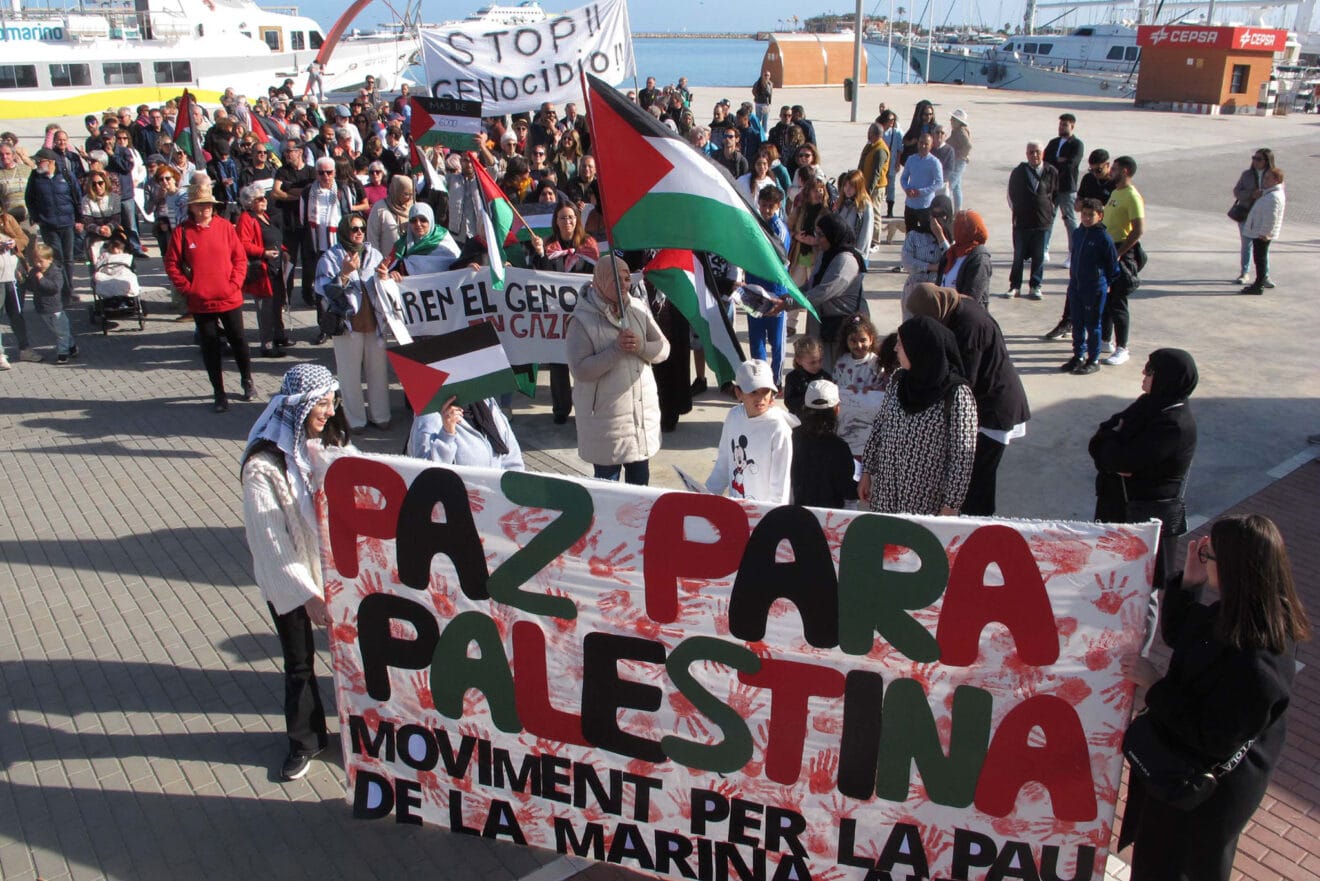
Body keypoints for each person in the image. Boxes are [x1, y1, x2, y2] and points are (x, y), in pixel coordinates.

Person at [1118, 514, 1309, 881]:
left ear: (1237, 568)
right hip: (1186, 776)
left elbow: (1216, 738)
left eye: (1211, 555)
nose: (1204, 558)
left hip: (1205, 794)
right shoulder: (1245, 612)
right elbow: (1184, 636)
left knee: (1178, 867)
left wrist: (1155, 687)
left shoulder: (1260, 658)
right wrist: (1191, 581)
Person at [241, 363, 349, 781]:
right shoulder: (262, 468)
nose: (329, 410)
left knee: (350, 658)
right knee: (299, 661)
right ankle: (305, 740)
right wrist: (307, 595)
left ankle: (360, 736)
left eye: (331, 401)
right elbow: (270, 543)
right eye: (321, 403)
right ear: (299, 407)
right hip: (292, 580)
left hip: (335, 575)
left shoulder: (329, 442)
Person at [906, 283, 1029, 517]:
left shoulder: (969, 326)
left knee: (978, 480)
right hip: (983, 404)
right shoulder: (955, 305)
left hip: (993, 410)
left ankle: (978, 529)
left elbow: (964, 380)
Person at [1089, 348, 1198, 591]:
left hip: (1143, 519)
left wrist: (1112, 443)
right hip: (1118, 510)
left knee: (1139, 590)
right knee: (1109, 581)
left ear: (1167, 378)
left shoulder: (1174, 425)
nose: (1143, 373)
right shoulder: (1149, 404)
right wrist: (1111, 442)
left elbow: (1121, 461)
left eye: (1150, 370)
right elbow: (1102, 436)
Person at [859, 316, 976, 516]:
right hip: (887, 496)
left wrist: (950, 507)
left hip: (925, 504)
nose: (895, 348)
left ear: (920, 349)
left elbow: (962, 458)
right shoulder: (898, 380)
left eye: (901, 344)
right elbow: (880, 426)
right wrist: (867, 471)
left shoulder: (956, 394)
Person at [567, 256, 669, 484]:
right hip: (606, 425)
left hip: (641, 420)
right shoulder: (581, 320)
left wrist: (641, 347)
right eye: (616, 279)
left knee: (640, 494)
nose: (624, 285)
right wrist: (615, 350)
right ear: (600, 281)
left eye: (626, 278)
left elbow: (664, 349)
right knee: (608, 494)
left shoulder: (638, 308)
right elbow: (580, 370)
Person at [164, 179, 253, 412]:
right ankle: (219, 392)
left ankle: (247, 379)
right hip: (201, 301)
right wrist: (188, 289)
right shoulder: (182, 232)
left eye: (208, 204)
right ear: (191, 207)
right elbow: (172, 265)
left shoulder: (224, 227)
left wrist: (234, 284)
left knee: (239, 340)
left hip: (229, 296)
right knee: (210, 347)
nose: (205, 208)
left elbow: (240, 259)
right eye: (200, 204)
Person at [316, 214, 391, 431]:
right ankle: (355, 419)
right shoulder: (330, 257)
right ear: (343, 232)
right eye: (354, 229)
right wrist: (344, 275)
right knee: (349, 375)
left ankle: (380, 415)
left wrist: (386, 277)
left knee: (378, 372)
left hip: (375, 322)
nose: (359, 232)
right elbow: (324, 291)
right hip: (348, 324)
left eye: (362, 228)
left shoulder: (373, 253)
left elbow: (383, 286)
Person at [529, 201, 599, 423]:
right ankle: (561, 409)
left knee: (584, 363)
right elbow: (541, 278)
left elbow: (594, 276)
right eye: (562, 218)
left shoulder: (588, 245)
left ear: (577, 220)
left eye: (571, 217)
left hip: (582, 315)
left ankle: (587, 408)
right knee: (558, 364)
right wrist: (540, 253)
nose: (567, 222)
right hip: (557, 317)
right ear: (555, 222)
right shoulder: (549, 246)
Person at [706, 359, 794, 504]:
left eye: (765, 391)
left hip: (764, 514)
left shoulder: (778, 428)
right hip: (737, 506)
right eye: (753, 392)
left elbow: (781, 485)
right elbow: (724, 461)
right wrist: (708, 493)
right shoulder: (733, 416)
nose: (760, 398)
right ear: (738, 392)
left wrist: (773, 518)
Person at [1061, 198, 1119, 375]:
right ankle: (1078, 356)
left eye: (1090, 215)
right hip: (1076, 286)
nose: (1086, 218)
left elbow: (1113, 266)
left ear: (1100, 216)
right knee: (1077, 323)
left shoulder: (1103, 238)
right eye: (1084, 214)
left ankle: (1093, 359)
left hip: (1094, 288)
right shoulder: (1078, 233)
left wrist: (1105, 284)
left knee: (1092, 325)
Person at [803, 212, 867, 365]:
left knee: (839, 374)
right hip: (823, 324)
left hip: (842, 328)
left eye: (821, 235)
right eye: (816, 234)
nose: (817, 239)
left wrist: (789, 303)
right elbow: (812, 284)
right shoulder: (826, 254)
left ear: (833, 234)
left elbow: (823, 292)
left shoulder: (846, 260)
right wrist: (787, 293)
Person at [1101, 156, 1145, 366]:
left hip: (1120, 252)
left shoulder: (1132, 196)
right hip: (1108, 249)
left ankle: (1122, 347)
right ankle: (1104, 339)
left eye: (1116, 168)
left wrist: (1119, 252)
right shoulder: (1116, 192)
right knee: (1107, 300)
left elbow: (1138, 230)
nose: (1111, 171)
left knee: (1118, 301)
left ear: (1125, 171)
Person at [25, 148, 83, 307]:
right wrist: (37, 217)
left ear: (50, 162)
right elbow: (29, 199)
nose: (37, 163)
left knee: (69, 259)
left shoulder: (65, 175)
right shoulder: (35, 177)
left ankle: (69, 291)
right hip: (48, 225)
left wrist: (79, 219)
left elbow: (77, 197)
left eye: (40, 161)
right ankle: (61, 292)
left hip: (67, 223)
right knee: (57, 259)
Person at [237, 184, 287, 358]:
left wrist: (283, 249)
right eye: (259, 198)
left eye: (264, 197)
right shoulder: (246, 218)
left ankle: (278, 336)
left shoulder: (263, 216)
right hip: (261, 270)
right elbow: (242, 243)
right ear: (250, 203)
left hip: (275, 267)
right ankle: (266, 344)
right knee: (265, 307)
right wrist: (263, 252)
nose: (264, 200)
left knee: (276, 303)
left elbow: (271, 236)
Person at [408, 395, 525, 470]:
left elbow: (512, 460)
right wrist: (446, 434)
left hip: (495, 503)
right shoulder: (430, 413)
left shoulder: (487, 402)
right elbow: (424, 475)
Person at [1003, 141, 1058, 301]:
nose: (1034, 155)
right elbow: (1010, 194)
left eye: (1037, 152)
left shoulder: (1051, 171)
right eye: (1031, 152)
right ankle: (1015, 286)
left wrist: (1049, 212)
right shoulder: (1019, 172)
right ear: (1026, 154)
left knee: (1039, 256)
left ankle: (1035, 286)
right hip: (1022, 223)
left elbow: (1055, 194)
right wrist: (1018, 211)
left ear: (1043, 153)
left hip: (1042, 222)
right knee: (1018, 256)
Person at [790, 379, 857, 509]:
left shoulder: (791, 437)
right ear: (837, 409)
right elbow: (848, 490)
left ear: (804, 407)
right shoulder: (839, 447)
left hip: (799, 514)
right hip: (830, 518)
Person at [832, 314, 889, 459]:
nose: (858, 345)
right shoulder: (842, 363)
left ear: (871, 339)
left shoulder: (877, 363)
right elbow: (835, 387)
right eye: (853, 341)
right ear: (846, 341)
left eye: (863, 340)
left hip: (870, 423)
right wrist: (846, 390)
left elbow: (883, 388)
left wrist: (872, 390)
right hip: (847, 422)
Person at [24, 243, 76, 364]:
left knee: (61, 332)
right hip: (42, 308)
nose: (37, 264)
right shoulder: (34, 271)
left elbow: (54, 288)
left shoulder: (55, 272)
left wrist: (41, 279)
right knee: (58, 331)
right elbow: (32, 287)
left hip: (55, 308)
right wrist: (26, 281)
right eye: (35, 261)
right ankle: (72, 346)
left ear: (49, 259)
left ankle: (63, 353)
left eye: (40, 261)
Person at [900, 195, 952, 317]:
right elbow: (907, 261)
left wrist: (940, 237)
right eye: (934, 215)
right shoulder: (915, 235)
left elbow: (951, 261)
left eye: (942, 215)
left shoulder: (952, 238)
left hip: (938, 292)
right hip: (914, 287)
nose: (937, 220)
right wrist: (931, 267)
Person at [1042, 113, 1084, 263]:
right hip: (1052, 187)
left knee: (1070, 220)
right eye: (1060, 124)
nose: (1061, 127)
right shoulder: (1053, 142)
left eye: (1065, 125)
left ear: (1072, 126)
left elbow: (1071, 164)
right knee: (1048, 218)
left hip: (1067, 188)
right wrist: (1058, 161)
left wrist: (1058, 162)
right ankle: (1044, 249)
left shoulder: (1077, 144)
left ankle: (1073, 253)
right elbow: (1046, 160)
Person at [1238, 167, 1285, 297]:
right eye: (1265, 177)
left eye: (1268, 178)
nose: (1265, 180)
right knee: (1259, 258)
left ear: (1276, 180)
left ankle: (1259, 285)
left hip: (1262, 234)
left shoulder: (1273, 196)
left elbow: (1271, 218)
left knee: (1260, 259)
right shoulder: (1269, 193)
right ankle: (1258, 283)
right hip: (1259, 231)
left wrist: (1265, 233)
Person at [1230, 148, 1273, 286]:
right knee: (1246, 244)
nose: (1255, 161)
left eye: (1258, 159)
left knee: (1263, 247)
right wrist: (1251, 194)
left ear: (1267, 161)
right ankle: (1244, 272)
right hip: (1246, 214)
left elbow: (1278, 193)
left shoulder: (1272, 175)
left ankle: (1264, 276)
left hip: (1263, 217)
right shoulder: (1247, 174)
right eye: (1253, 158)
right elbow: (1237, 192)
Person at [386, 203, 460, 276]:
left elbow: (458, 265)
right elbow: (386, 268)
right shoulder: (401, 246)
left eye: (423, 220)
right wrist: (393, 272)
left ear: (430, 221)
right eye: (413, 220)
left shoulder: (443, 239)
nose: (418, 224)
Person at [938, 209, 992, 308]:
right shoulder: (951, 253)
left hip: (964, 316)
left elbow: (972, 296)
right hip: (945, 313)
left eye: (958, 225)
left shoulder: (979, 258)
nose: (954, 228)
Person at [899, 133, 943, 230]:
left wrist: (921, 192)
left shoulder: (934, 162)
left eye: (926, 144)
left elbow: (939, 182)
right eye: (921, 143)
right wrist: (907, 189)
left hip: (925, 205)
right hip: (910, 204)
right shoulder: (911, 159)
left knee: (927, 235)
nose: (923, 146)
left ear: (931, 146)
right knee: (910, 233)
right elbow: (903, 178)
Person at [856, 124, 889, 251]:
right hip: (865, 184)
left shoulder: (880, 150)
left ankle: (875, 241)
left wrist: (869, 191)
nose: (867, 134)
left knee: (875, 213)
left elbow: (876, 173)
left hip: (876, 188)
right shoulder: (870, 145)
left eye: (869, 132)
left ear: (875, 134)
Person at [783, 334, 832, 417]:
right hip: (800, 420)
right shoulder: (792, 378)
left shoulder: (825, 377)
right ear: (799, 361)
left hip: (821, 419)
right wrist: (808, 399)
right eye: (812, 362)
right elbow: (789, 401)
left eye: (820, 360)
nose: (817, 365)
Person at [877, 110, 904, 218]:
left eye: (893, 119)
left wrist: (898, 162)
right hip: (881, 164)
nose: (892, 122)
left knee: (891, 186)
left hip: (891, 163)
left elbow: (899, 150)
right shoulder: (879, 131)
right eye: (890, 120)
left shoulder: (896, 133)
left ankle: (890, 210)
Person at [946, 109, 972, 212]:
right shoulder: (957, 131)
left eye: (953, 119)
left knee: (950, 186)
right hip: (958, 161)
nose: (951, 121)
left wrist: (959, 156)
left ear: (958, 121)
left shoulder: (961, 131)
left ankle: (946, 210)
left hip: (958, 162)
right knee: (956, 187)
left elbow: (968, 146)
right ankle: (958, 211)